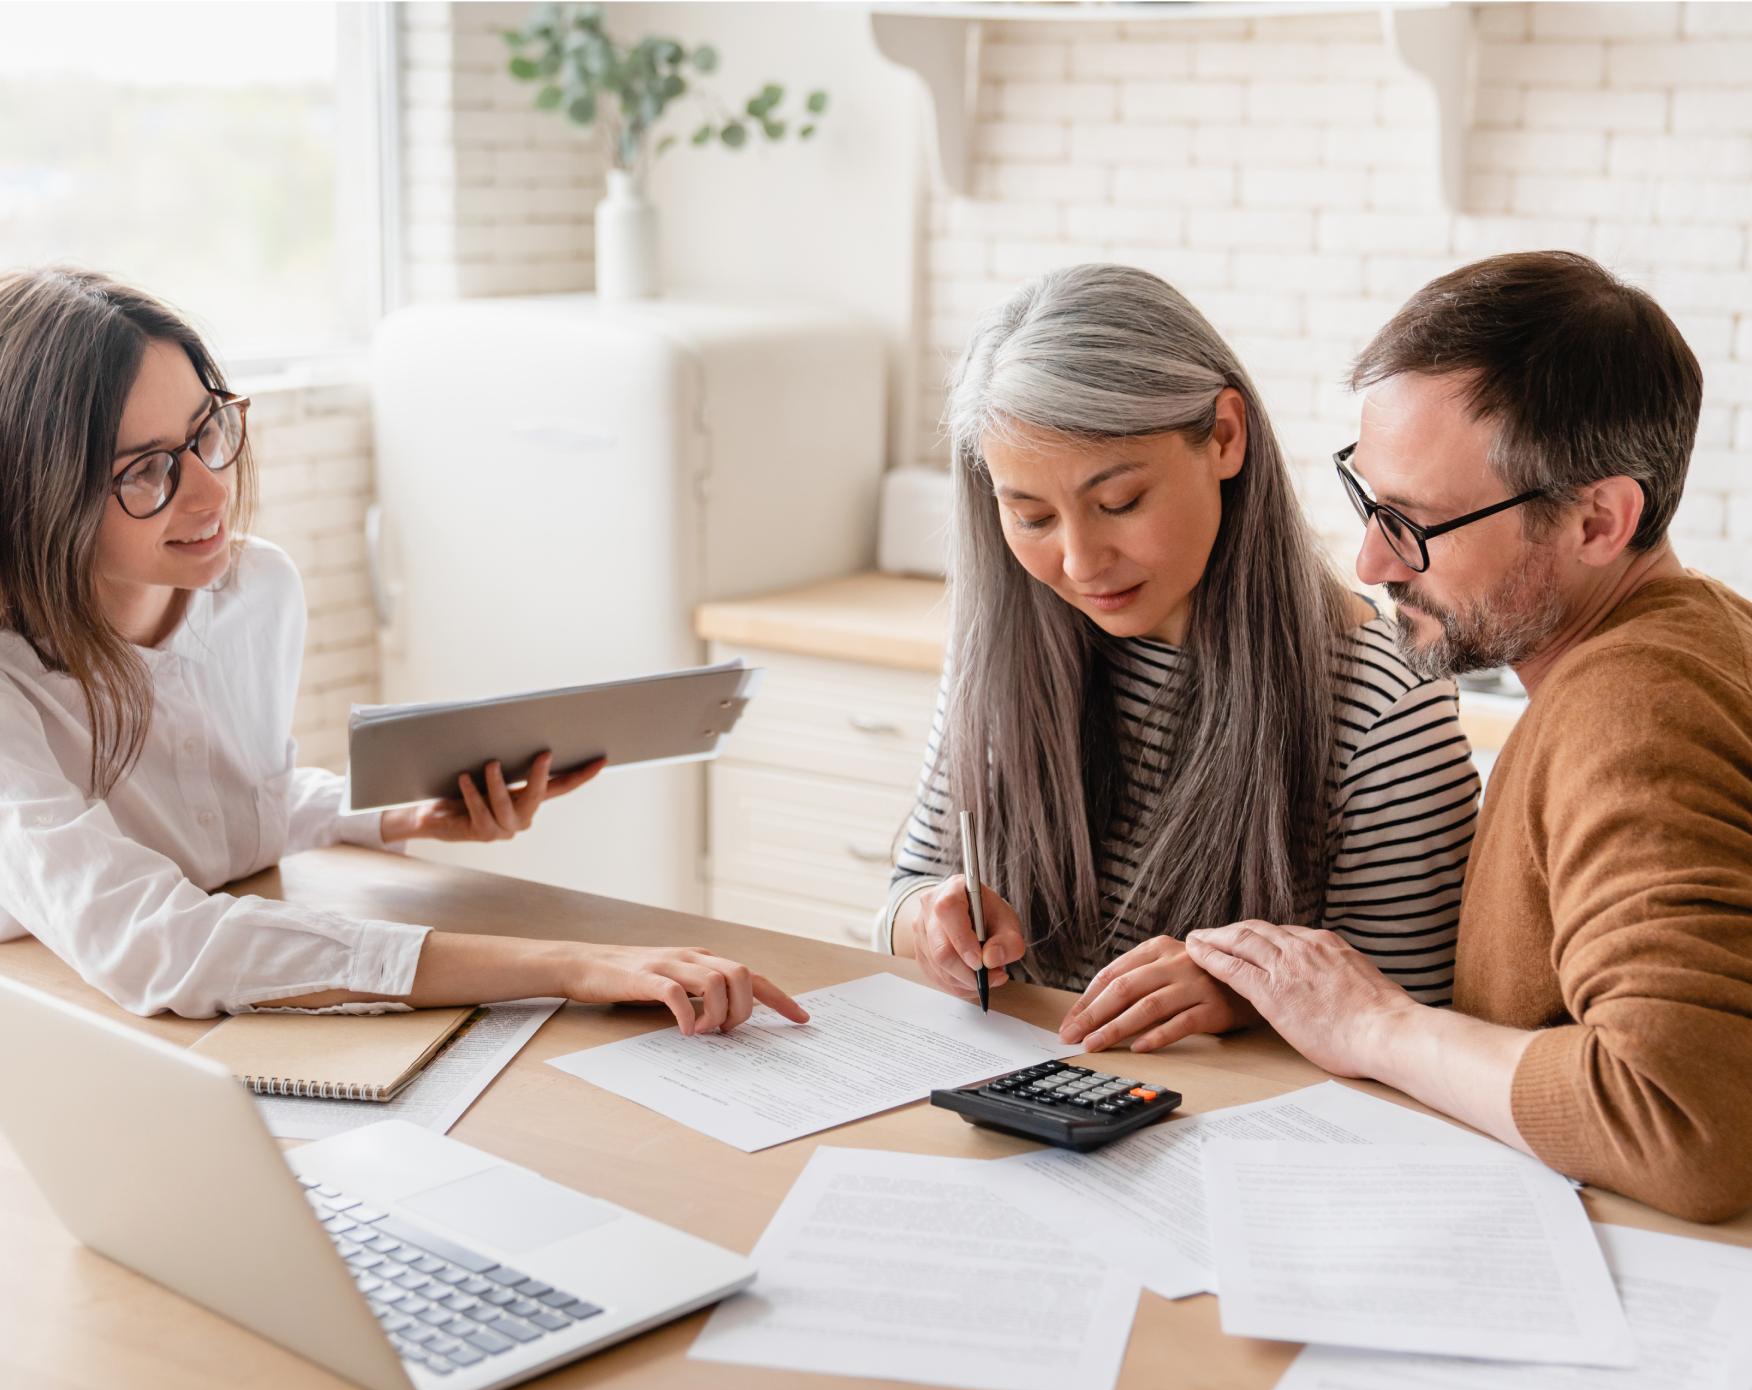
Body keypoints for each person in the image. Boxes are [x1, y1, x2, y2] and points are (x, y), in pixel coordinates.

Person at [0, 266, 804, 1034]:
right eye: (147, 473)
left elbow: (223, 812)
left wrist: (395, 815)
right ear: (39, 495)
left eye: (208, 429)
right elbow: (157, 944)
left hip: (225, 1016)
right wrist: (569, 965)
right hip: (61, 1031)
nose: (211, 490)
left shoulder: (255, 592)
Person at [1184, 250, 1752, 1224]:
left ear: (1597, 520)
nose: (1370, 559)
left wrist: (1376, 1025)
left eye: (1414, 522)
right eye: (1371, 501)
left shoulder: (1628, 706)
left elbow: (1683, 1122)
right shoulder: (1705, 632)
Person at [879, 264, 1479, 1053]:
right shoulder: (1002, 648)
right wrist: (932, 922)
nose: (1081, 562)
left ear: (1225, 436)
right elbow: (904, 894)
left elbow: (1416, 1019)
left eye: (1119, 503)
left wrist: (1249, 995)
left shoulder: (1382, 702)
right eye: (1029, 517)